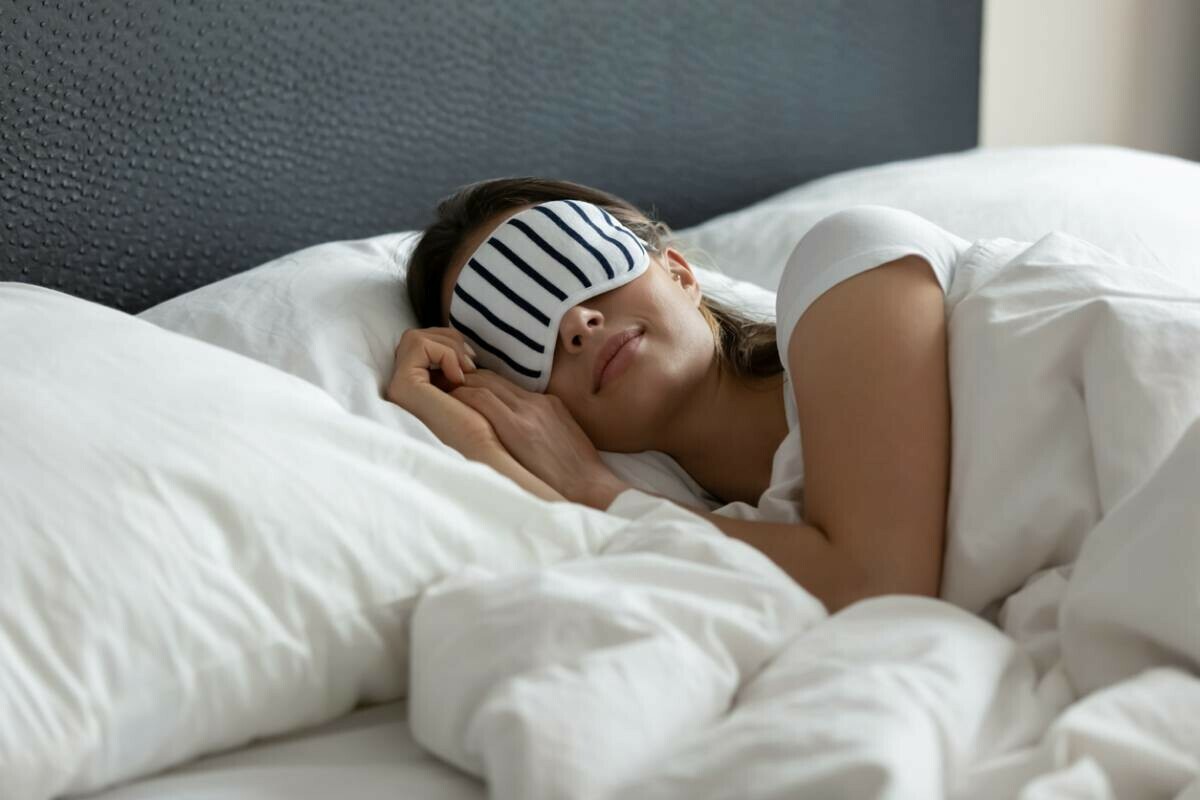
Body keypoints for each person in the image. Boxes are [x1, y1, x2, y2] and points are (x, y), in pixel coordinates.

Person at [389, 177, 961, 614]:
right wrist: (481, 444)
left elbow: (877, 588)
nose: (576, 324)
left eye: (577, 265)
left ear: (681, 275)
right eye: (517, 333)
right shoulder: (730, 536)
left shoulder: (847, 269)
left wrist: (593, 487)